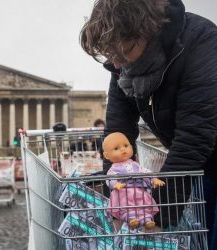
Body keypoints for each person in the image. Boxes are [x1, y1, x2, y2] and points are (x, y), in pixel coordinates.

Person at [80, 0, 217, 247]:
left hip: (200, 148)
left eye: (124, 51)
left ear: (147, 30)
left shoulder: (202, 41)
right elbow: (118, 127)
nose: (118, 63)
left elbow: (194, 134)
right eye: (111, 54)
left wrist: (157, 217)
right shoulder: (124, 63)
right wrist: (118, 198)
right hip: (200, 164)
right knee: (200, 240)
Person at [103, 132, 165, 230]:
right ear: (107, 155)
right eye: (116, 148)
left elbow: (145, 172)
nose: (123, 149)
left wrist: (153, 179)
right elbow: (110, 178)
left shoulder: (136, 165)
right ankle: (131, 219)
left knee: (143, 206)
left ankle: (147, 220)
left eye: (126, 145)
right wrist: (115, 184)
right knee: (127, 209)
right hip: (124, 193)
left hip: (139, 191)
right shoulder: (114, 169)